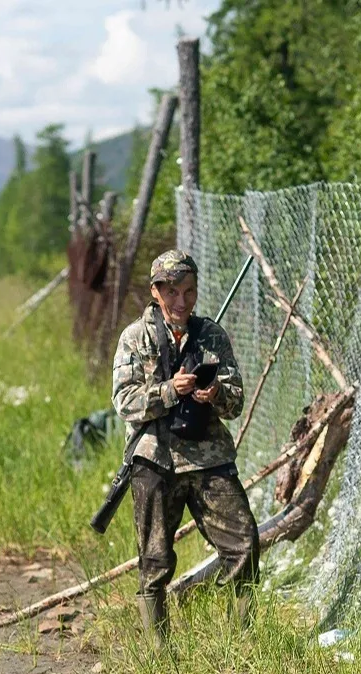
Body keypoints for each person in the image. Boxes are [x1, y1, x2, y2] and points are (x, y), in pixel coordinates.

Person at [111, 249, 260, 645]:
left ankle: (239, 644)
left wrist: (214, 393)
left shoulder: (211, 335)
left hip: (208, 458)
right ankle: (159, 657)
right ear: (156, 291)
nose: (181, 302)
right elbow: (125, 401)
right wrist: (168, 391)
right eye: (173, 292)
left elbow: (236, 400)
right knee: (154, 561)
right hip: (154, 459)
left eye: (189, 292)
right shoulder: (135, 337)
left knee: (243, 543)